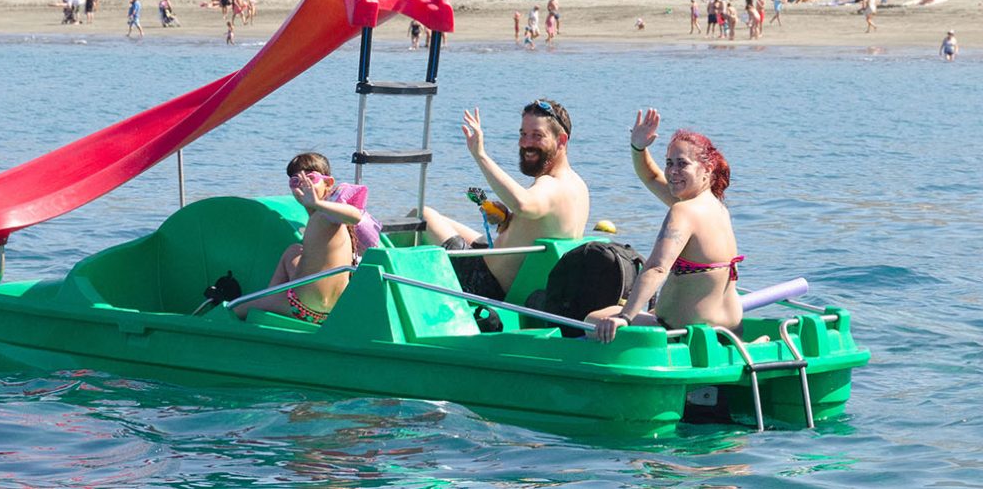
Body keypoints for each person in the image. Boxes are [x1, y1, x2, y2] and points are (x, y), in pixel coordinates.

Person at [589, 111, 743, 340]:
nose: (672, 171)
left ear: (707, 168)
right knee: (647, 311)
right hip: (730, 333)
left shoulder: (683, 211)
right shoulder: (717, 208)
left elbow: (657, 268)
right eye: (669, 163)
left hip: (687, 336)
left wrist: (625, 317)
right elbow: (651, 177)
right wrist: (639, 148)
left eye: (682, 164)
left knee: (593, 319)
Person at [420, 100, 589, 300]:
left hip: (486, 284)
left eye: (537, 136)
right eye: (523, 134)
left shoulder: (551, 185)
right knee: (441, 220)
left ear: (561, 140)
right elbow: (538, 223)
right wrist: (508, 220)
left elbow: (523, 204)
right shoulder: (578, 185)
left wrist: (480, 155)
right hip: (500, 260)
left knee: (421, 217)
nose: (526, 143)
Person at [232, 152, 378, 324]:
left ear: (328, 182)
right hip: (334, 307)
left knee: (235, 309)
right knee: (293, 251)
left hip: (305, 307)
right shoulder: (322, 216)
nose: (303, 185)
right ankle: (271, 301)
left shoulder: (326, 213)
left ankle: (267, 307)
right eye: (295, 181)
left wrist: (317, 203)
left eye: (311, 179)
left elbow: (354, 216)